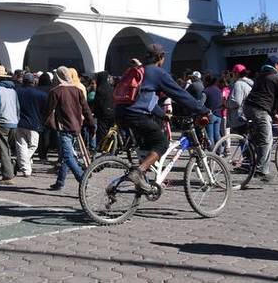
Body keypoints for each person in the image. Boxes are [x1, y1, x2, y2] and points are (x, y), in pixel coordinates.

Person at [117, 45, 210, 193]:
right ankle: (138, 172)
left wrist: (163, 115)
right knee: (162, 143)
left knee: (148, 148)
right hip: (136, 115)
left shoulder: (140, 71)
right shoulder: (157, 73)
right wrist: (203, 110)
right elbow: (180, 94)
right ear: (161, 58)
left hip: (121, 113)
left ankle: (143, 183)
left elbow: (147, 100)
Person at [243, 56, 278, 182]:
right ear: (274, 66)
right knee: (266, 140)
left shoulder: (261, 76)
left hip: (248, 107)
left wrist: (274, 114)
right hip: (259, 110)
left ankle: (246, 162)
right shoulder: (277, 78)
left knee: (255, 138)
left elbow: (267, 97)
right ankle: (262, 170)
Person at [44, 66, 94, 191]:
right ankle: (60, 181)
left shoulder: (56, 91)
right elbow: (86, 110)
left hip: (64, 127)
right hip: (77, 126)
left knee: (67, 156)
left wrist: (45, 124)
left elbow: (48, 111)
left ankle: (82, 178)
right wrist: (91, 125)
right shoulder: (78, 90)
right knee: (67, 155)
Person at [0, 65, 20, 184]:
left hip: (2, 122)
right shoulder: (13, 90)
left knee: (3, 150)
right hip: (14, 122)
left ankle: (7, 176)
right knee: (12, 149)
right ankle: (13, 168)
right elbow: (17, 107)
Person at [15, 72, 47, 177]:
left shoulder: (16, 92)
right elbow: (44, 110)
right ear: (33, 81)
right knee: (33, 145)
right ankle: (24, 166)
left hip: (19, 122)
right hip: (34, 124)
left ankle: (24, 167)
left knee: (21, 146)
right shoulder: (41, 94)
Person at [227, 64, 253, 132]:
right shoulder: (248, 83)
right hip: (247, 115)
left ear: (236, 73)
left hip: (240, 118)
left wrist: (226, 103)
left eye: (232, 73)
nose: (232, 75)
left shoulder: (238, 84)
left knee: (242, 140)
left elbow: (236, 102)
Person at [36, 71, 56, 163]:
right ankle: (45, 154)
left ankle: (40, 154)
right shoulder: (52, 89)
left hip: (37, 114)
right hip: (48, 115)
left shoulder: (36, 89)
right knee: (46, 136)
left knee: (39, 136)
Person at [92, 71, 115, 147]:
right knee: (111, 130)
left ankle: (103, 146)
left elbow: (97, 103)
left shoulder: (100, 89)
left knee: (102, 131)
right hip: (112, 112)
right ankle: (112, 146)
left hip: (102, 114)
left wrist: (95, 113)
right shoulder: (111, 88)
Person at [202, 75, 223, 148]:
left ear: (207, 82)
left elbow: (201, 103)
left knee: (210, 136)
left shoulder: (206, 91)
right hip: (219, 114)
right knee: (217, 135)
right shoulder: (218, 90)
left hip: (210, 115)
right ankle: (220, 151)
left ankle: (212, 153)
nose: (203, 82)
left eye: (204, 80)